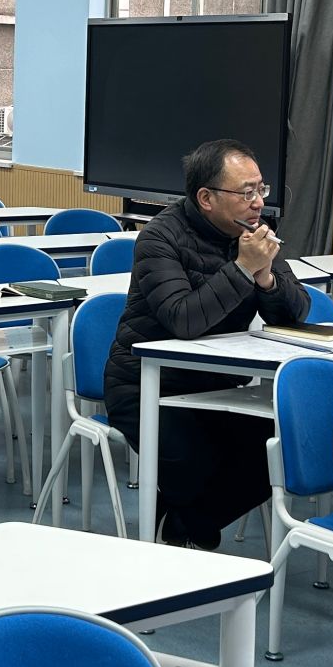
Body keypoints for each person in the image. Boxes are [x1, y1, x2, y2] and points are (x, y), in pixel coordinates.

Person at [103, 138, 306, 550]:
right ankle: (185, 527)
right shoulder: (159, 237)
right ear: (206, 198)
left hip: (218, 384)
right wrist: (243, 268)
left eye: (261, 189)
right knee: (195, 461)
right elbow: (184, 319)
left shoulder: (253, 235)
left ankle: (181, 523)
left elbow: (295, 313)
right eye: (246, 192)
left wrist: (266, 278)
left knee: (283, 448)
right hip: (147, 386)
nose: (258, 203)